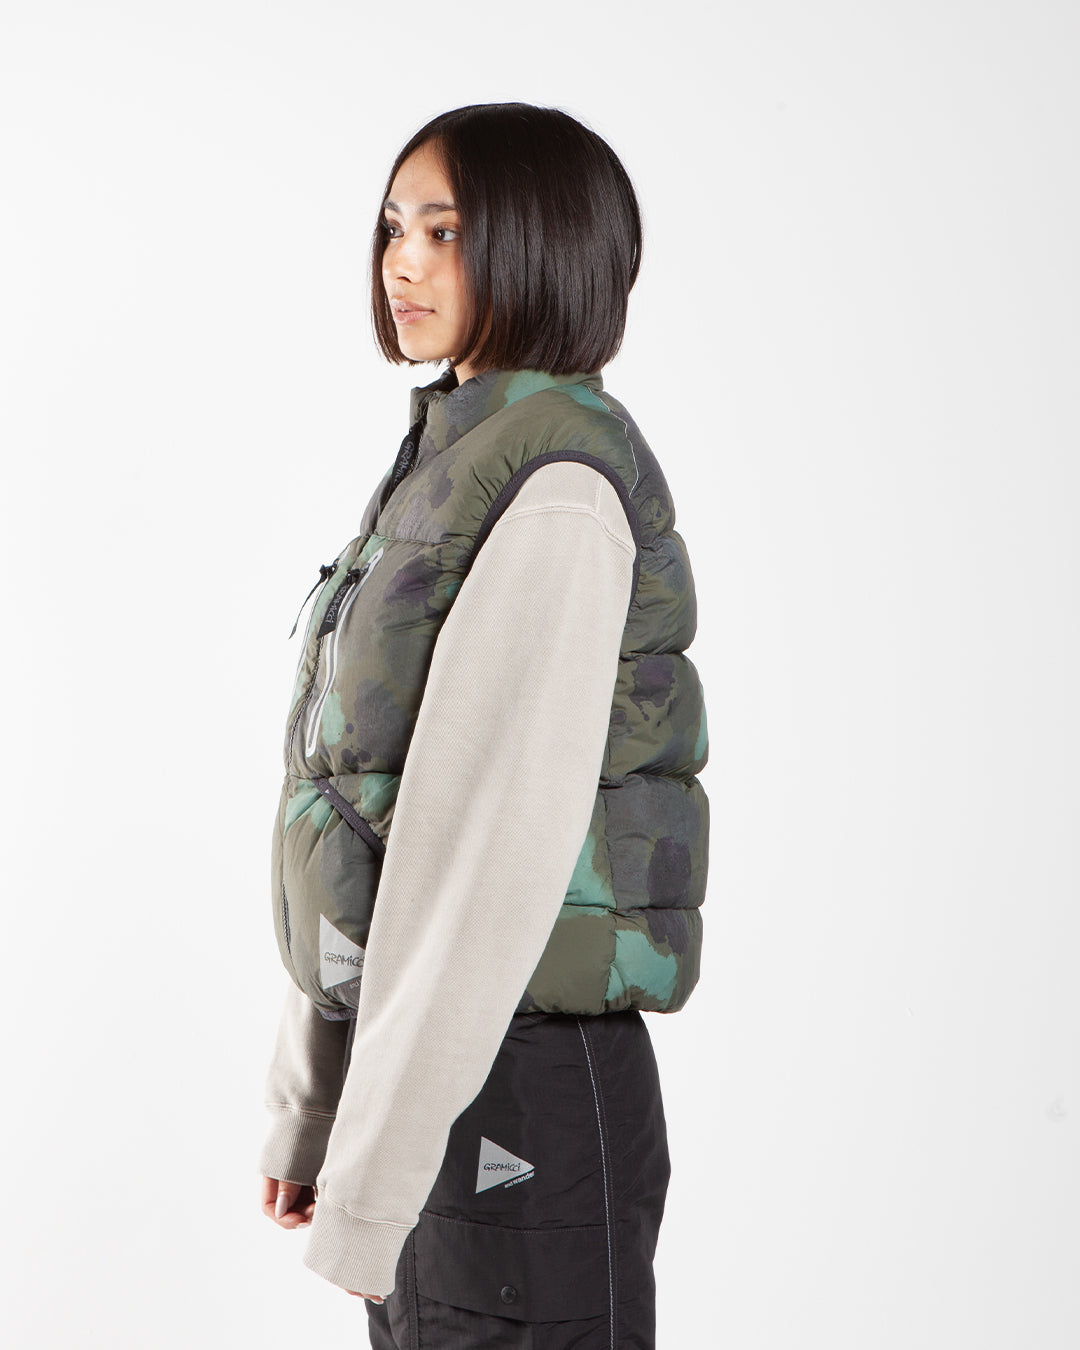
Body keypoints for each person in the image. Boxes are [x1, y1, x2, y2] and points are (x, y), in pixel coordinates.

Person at [258, 102, 709, 1349]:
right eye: (393, 227)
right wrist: (320, 1108)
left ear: (544, 245)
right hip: (432, 1076)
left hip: (522, 1084)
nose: (402, 263)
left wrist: (369, 1167)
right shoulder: (452, 463)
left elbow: (482, 858)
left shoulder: (556, 488)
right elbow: (362, 809)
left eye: (445, 232)